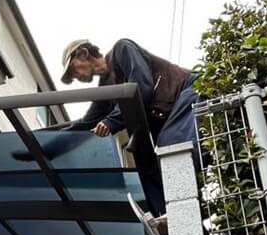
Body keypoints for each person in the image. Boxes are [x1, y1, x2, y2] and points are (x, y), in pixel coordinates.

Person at [60, 37, 199, 216]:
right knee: (151, 166)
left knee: (171, 146)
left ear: (84, 53)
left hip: (190, 92)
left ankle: (185, 209)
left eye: (73, 70)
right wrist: (47, 144)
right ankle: (172, 217)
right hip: (173, 116)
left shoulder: (121, 50)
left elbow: (141, 86)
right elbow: (87, 123)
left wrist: (112, 121)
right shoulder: (105, 89)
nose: (75, 77)